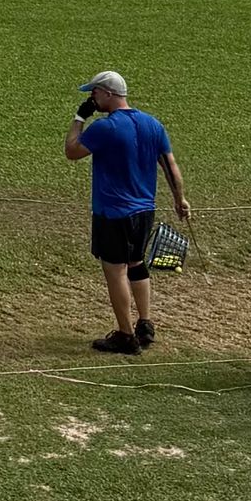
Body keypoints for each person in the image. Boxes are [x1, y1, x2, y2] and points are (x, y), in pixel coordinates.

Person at [65, 71, 191, 354]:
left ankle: (124, 335)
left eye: (94, 93)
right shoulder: (153, 125)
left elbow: (71, 151)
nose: (91, 99)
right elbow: (169, 164)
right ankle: (145, 323)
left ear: (108, 94)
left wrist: (79, 117)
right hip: (144, 210)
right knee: (136, 262)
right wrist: (179, 199)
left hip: (113, 213)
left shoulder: (105, 128)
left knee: (115, 270)